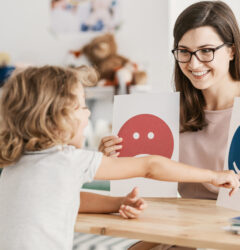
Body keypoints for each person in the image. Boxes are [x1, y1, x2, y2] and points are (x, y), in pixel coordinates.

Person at [0, 66, 238, 250]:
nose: (89, 112)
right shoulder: (68, 161)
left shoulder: (14, 166)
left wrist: (117, 203)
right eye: (81, 107)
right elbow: (150, 165)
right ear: (55, 118)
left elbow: (66, 198)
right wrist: (214, 175)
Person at [98, 1, 240, 249]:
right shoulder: (168, 114)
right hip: (184, 230)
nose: (194, 64)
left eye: (206, 50)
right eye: (184, 51)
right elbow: (148, 182)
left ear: (231, 51)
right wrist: (110, 160)